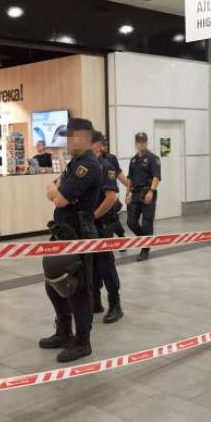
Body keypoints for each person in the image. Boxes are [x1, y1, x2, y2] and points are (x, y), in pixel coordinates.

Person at [39, 118, 103, 362]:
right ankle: (64, 332)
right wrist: (58, 190)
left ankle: (82, 341)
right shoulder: (75, 164)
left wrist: (59, 192)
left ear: (84, 138)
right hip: (63, 232)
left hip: (80, 233)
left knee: (78, 288)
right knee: (53, 283)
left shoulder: (88, 166)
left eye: (71, 136)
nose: (66, 140)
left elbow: (59, 199)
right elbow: (52, 190)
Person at [91, 131, 124, 323]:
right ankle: (95, 300)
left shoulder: (107, 167)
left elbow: (111, 198)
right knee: (91, 262)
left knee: (105, 262)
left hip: (102, 222)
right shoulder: (87, 166)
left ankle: (115, 304)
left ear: (101, 146)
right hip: (89, 223)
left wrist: (94, 215)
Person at [121, 132, 161, 261]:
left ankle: (145, 250)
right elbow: (130, 179)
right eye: (139, 142)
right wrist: (127, 194)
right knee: (130, 222)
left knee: (147, 222)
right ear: (136, 143)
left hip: (148, 193)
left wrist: (151, 191)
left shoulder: (153, 158)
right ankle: (146, 241)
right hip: (136, 194)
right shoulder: (133, 160)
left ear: (147, 142)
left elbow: (156, 177)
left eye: (143, 141)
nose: (141, 144)